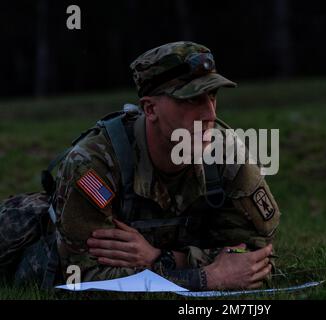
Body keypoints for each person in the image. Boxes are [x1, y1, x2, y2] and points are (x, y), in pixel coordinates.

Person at [19, 41, 281, 290]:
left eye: (212, 95)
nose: (210, 114)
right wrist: (203, 277)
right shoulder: (94, 164)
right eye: (191, 100)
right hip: (34, 244)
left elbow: (255, 255)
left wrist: (163, 258)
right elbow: (83, 279)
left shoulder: (227, 154)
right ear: (151, 110)